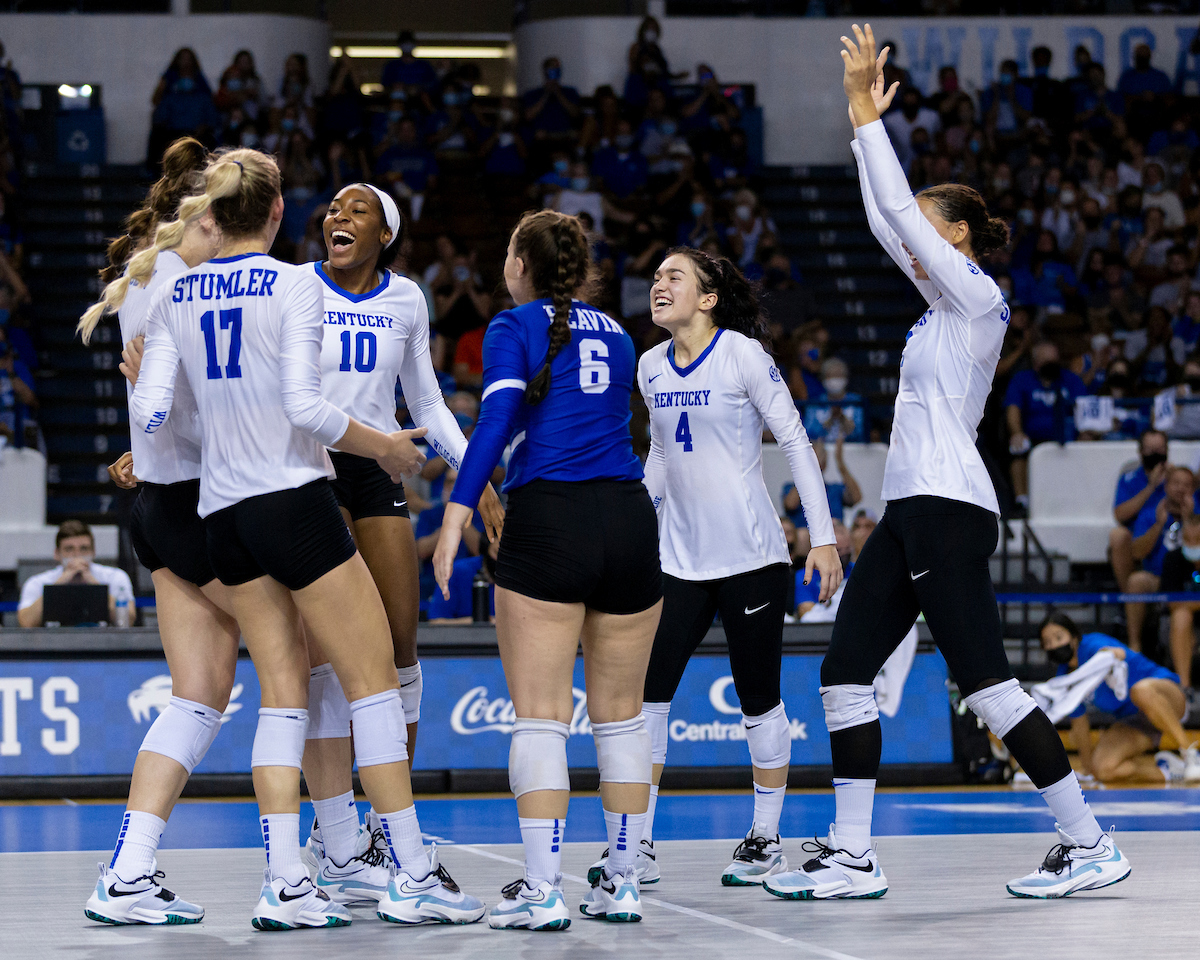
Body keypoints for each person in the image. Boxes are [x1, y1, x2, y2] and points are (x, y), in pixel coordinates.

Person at [764, 27, 1128, 905]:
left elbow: (894, 219)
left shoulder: (979, 301)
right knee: (845, 672)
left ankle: (1088, 840)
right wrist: (862, 137)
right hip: (908, 511)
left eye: (930, 226)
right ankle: (853, 853)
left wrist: (862, 116)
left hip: (948, 506)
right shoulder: (932, 316)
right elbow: (885, 221)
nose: (910, 240)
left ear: (959, 237)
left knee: (989, 683)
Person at [124, 148, 485, 929]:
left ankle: (286, 879)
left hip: (217, 514)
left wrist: (145, 427)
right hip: (294, 497)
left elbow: (153, 413)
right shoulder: (294, 283)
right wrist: (385, 446)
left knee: (283, 697)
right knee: (374, 682)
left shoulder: (175, 290)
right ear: (280, 211)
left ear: (214, 212)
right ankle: (411, 871)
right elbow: (305, 409)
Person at [433, 210, 662, 929]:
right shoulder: (621, 333)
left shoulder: (514, 327)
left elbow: (495, 426)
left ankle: (541, 890)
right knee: (622, 724)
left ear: (521, 265)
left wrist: (455, 516)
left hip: (551, 521)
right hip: (628, 521)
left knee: (540, 720)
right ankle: (621, 880)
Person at [584, 247, 840, 889]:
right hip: (676, 561)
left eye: (675, 277)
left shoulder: (742, 355)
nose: (659, 285)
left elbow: (795, 441)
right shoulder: (648, 366)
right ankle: (636, 846)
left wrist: (824, 537)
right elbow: (665, 457)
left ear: (708, 298)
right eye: (657, 277)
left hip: (752, 559)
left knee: (759, 699)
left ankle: (765, 837)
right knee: (647, 701)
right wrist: (632, 524)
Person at [300, 182, 503, 904]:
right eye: (332, 208)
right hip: (309, 464)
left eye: (355, 210)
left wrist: (472, 472)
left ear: (385, 232)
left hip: (377, 462)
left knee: (400, 644)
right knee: (326, 652)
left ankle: (391, 821)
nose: (336, 216)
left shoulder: (408, 299)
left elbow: (425, 402)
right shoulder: (296, 287)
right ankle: (334, 831)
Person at [73, 138, 243, 924]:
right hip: (200, 504)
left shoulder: (145, 273)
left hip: (161, 507)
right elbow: (191, 405)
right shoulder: (180, 283)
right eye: (224, 221)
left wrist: (139, 443)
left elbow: (159, 403)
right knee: (308, 664)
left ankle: (128, 871)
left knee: (200, 695)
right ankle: (333, 857)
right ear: (201, 218)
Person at [1039, 612, 1197, 783]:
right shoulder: (1065, 681)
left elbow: (1117, 653)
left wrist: (1109, 656)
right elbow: (1080, 724)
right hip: (1136, 721)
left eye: (1058, 637)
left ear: (1074, 637)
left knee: (1140, 691)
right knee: (1103, 769)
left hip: (1165, 698)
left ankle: (1191, 754)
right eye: (1047, 642)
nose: (1054, 645)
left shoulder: (1092, 645)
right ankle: (1170, 772)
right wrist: (1087, 767)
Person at [1004, 341, 1087, 514]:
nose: (1052, 366)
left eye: (1054, 361)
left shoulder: (1070, 379)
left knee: (1087, 445)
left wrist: (1084, 433)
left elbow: (1084, 408)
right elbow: (1013, 409)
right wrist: (1017, 432)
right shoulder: (1022, 380)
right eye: (1046, 362)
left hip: (1066, 437)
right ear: (1036, 364)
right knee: (1017, 449)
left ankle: (1078, 500)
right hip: (1032, 437)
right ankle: (1022, 502)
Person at [1127, 465, 1199, 651]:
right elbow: (1136, 553)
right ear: (1166, 486)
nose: (1181, 488)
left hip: (1192, 579)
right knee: (1136, 581)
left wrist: (1188, 519)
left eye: (1186, 485)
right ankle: (1135, 643)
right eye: (1176, 483)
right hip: (1158, 578)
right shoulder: (1150, 513)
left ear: (1193, 489)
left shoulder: (1197, 515)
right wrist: (1159, 525)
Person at [17, 520, 134, 628]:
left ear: (93, 552)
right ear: (57, 553)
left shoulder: (115, 577)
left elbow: (128, 620)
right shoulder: (37, 582)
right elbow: (26, 623)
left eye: (84, 549)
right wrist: (59, 584)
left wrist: (93, 583)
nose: (77, 555)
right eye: (69, 549)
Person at [1109, 429, 1168, 592]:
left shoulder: (1174, 478)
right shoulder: (1130, 478)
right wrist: (1151, 487)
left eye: (1160, 450)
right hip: (1138, 536)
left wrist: (1174, 480)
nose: (1155, 454)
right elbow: (1120, 515)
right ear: (1140, 452)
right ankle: (1129, 598)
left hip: (1169, 532)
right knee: (1118, 535)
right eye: (1150, 450)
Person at [1159, 513, 1200, 709]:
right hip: (1177, 626)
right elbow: (1172, 603)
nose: (1192, 545)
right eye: (1188, 539)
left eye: (1198, 540)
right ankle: (1185, 688)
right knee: (1182, 616)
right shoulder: (1173, 559)